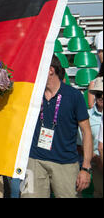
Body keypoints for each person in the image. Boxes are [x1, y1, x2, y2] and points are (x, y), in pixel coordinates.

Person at [21, 55, 93, 198]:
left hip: (65, 163)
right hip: (34, 161)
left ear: (50, 70)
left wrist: (85, 167)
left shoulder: (73, 95)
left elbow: (86, 132)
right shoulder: (32, 94)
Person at [78, 76, 103, 197]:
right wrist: (96, 159)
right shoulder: (86, 116)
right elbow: (79, 145)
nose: (102, 97)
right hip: (95, 163)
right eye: (98, 94)